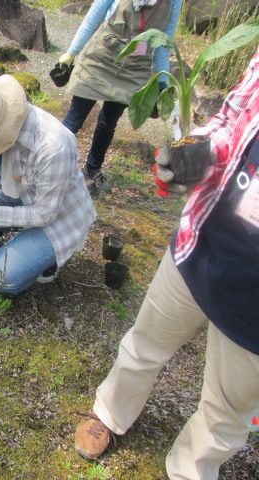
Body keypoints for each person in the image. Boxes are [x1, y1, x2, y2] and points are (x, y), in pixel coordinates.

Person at [73, 47, 259, 480]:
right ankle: (111, 412)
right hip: (201, 241)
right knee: (144, 342)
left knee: (226, 412)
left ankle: (191, 470)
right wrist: (200, 150)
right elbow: (235, 117)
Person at [0, 74, 96, 295]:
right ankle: (4, 246)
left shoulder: (54, 147)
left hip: (58, 219)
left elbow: (45, 214)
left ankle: (45, 260)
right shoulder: (0, 125)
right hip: (22, 194)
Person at [58, 0, 182, 190]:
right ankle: (48, 162)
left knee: (108, 123)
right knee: (74, 119)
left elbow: (164, 41)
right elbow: (94, 16)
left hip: (134, 67)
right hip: (101, 56)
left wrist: (163, 82)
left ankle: (93, 170)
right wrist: (71, 52)